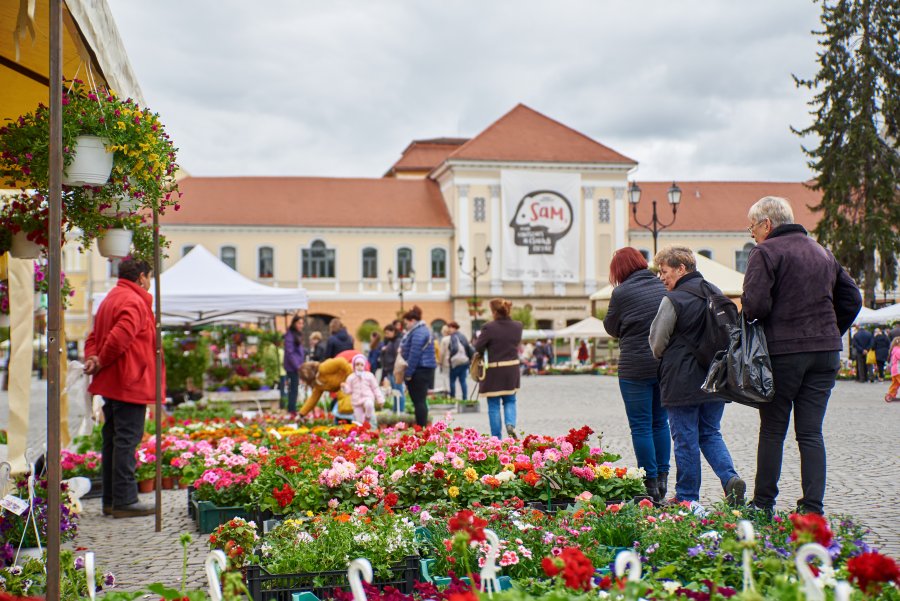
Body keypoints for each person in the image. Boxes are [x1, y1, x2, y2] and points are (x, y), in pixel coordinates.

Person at [742, 196, 861, 516]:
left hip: (784, 352)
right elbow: (853, 299)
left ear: (767, 224)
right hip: (825, 353)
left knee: (772, 429)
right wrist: (830, 331)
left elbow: (755, 306)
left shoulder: (765, 252)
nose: (752, 234)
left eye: (752, 227)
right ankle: (812, 507)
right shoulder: (822, 251)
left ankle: (763, 503)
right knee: (810, 432)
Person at [649, 246, 745, 511]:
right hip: (716, 378)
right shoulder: (714, 292)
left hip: (682, 380)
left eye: (664, 271)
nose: (661, 277)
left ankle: (687, 496)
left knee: (685, 438)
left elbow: (657, 342)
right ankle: (730, 479)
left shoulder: (674, 299)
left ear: (681, 269)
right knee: (710, 432)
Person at [84, 258, 161, 519]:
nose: (150, 283)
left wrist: (94, 358)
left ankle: (111, 499)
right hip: (129, 380)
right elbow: (120, 337)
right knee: (126, 440)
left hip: (115, 380)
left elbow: (94, 336)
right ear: (141, 277)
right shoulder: (134, 300)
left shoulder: (111, 298)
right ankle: (125, 500)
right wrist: (102, 359)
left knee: (114, 439)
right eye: (149, 277)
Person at [603, 246, 670, 503]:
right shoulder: (661, 285)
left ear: (619, 270)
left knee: (640, 425)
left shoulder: (621, 292)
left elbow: (611, 326)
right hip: (663, 364)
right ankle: (663, 478)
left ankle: (649, 483)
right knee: (660, 422)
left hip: (633, 367)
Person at [472, 298, 524, 439]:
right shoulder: (518, 326)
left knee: (494, 404)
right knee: (510, 399)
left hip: (494, 371)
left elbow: (478, 347)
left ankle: (496, 438)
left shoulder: (489, 327)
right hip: (512, 369)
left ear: (494, 311)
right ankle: (510, 424)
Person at [400, 306, 437, 427]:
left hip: (420, 370)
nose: (406, 326)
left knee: (419, 402)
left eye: (406, 323)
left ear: (412, 321)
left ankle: (421, 428)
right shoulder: (423, 330)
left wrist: (408, 374)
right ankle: (422, 427)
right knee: (420, 401)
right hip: (424, 368)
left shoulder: (418, 332)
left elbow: (414, 354)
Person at [297, 353, 355, 418]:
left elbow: (341, 362)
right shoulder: (318, 384)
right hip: (344, 391)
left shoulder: (323, 368)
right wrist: (301, 414)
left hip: (354, 382)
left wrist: (350, 379)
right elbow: (313, 399)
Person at [341, 354, 384, 425]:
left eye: (361, 365)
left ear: (364, 366)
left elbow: (375, 388)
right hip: (356, 401)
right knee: (359, 421)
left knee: (369, 404)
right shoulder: (351, 377)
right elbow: (349, 391)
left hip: (367, 397)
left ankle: (367, 418)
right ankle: (363, 430)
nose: (359, 367)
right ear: (354, 366)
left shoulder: (369, 376)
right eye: (357, 364)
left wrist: (380, 399)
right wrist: (344, 387)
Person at [282, 314, 305, 413]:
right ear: (294, 323)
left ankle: (292, 409)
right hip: (293, 367)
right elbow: (290, 353)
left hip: (296, 366)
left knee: (294, 389)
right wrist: (297, 366)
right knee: (293, 389)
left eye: (302, 323)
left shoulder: (295, 334)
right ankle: (291, 410)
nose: (301, 325)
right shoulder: (290, 335)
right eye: (299, 323)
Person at [380, 324, 404, 411]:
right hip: (390, 369)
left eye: (387, 333)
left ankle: (400, 410)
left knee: (398, 391)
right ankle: (396, 409)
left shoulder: (397, 341)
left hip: (395, 370)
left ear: (393, 331)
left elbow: (397, 356)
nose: (386, 335)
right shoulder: (391, 341)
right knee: (395, 391)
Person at [447, 321, 472, 400]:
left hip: (456, 362)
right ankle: (465, 398)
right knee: (463, 380)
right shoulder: (463, 336)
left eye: (450, 328)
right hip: (464, 361)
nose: (449, 330)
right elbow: (468, 348)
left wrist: (450, 357)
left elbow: (454, 348)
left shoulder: (453, 336)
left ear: (454, 328)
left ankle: (453, 397)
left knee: (452, 380)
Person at [438, 324, 453, 394]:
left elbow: (442, 352)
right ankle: (452, 390)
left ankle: (447, 390)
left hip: (445, 361)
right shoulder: (453, 337)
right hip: (453, 360)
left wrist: (440, 362)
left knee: (445, 376)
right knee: (451, 377)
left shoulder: (444, 339)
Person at [886, 337, 900, 403]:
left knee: (895, 384)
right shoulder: (898, 350)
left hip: (894, 370)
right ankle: (891, 395)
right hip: (898, 370)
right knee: (896, 383)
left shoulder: (894, 350)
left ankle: (890, 395)